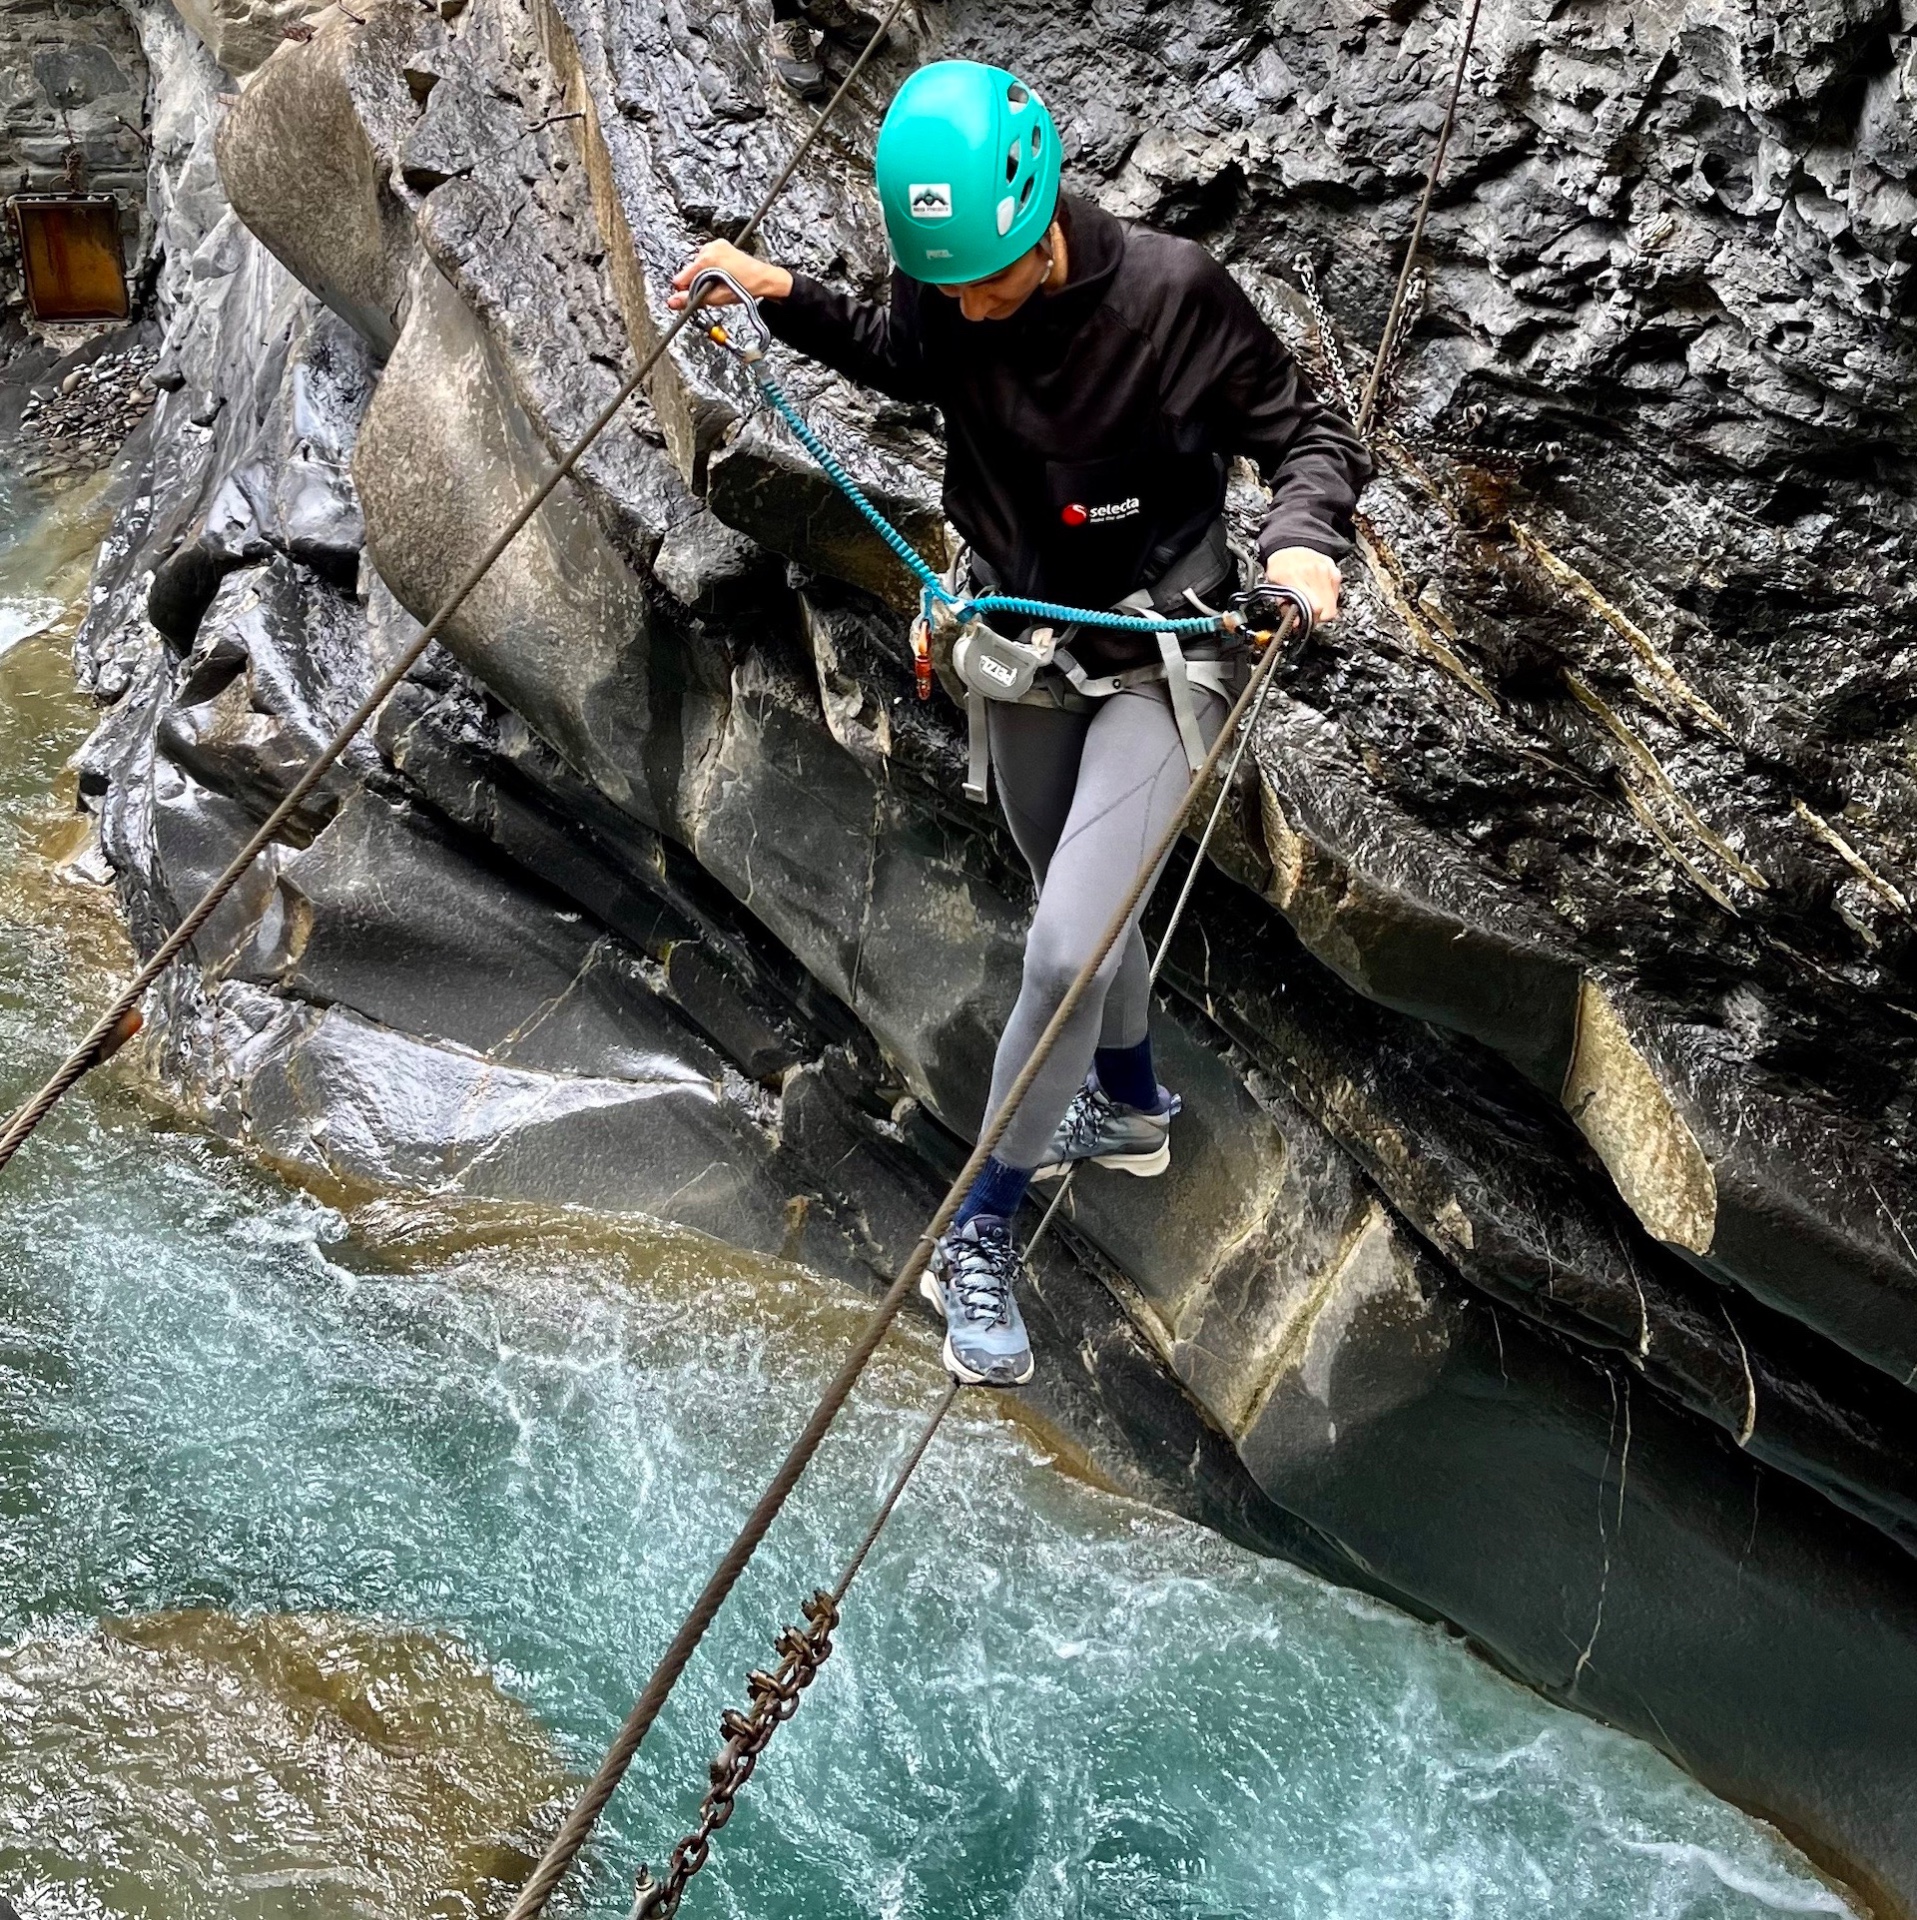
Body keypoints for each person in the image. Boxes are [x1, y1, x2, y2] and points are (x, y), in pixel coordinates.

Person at [672, 60, 1369, 1389]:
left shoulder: (1173, 297)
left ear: (1041, 207)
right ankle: (1128, 1102)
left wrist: (1302, 546)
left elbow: (1308, 436)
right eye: (949, 283)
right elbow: (893, 342)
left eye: (988, 277)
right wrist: (778, 294)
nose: (970, 306)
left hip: (1162, 653)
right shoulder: (950, 293)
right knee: (1074, 898)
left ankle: (974, 1234)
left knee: (1060, 947)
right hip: (1019, 646)